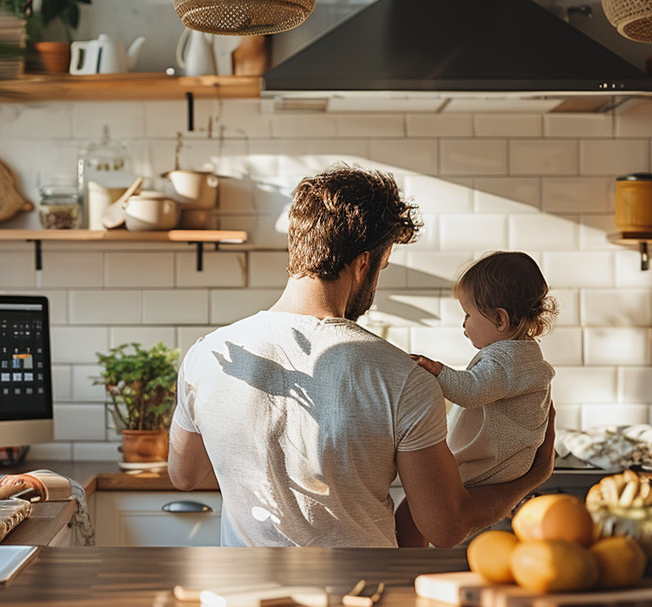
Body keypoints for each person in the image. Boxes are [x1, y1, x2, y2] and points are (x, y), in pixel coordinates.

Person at [167, 164, 555, 548]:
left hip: (244, 597)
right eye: (382, 265)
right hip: (363, 596)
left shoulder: (209, 354)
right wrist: (530, 478)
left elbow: (184, 475)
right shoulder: (405, 377)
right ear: (364, 263)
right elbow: (445, 527)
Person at [397, 251, 556, 546]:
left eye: (468, 315)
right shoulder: (522, 354)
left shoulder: (506, 358)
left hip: (495, 461)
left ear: (500, 319)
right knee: (417, 510)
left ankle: (407, 561)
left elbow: (472, 391)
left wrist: (438, 372)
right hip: (508, 459)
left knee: (416, 509)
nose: (464, 324)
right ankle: (413, 555)